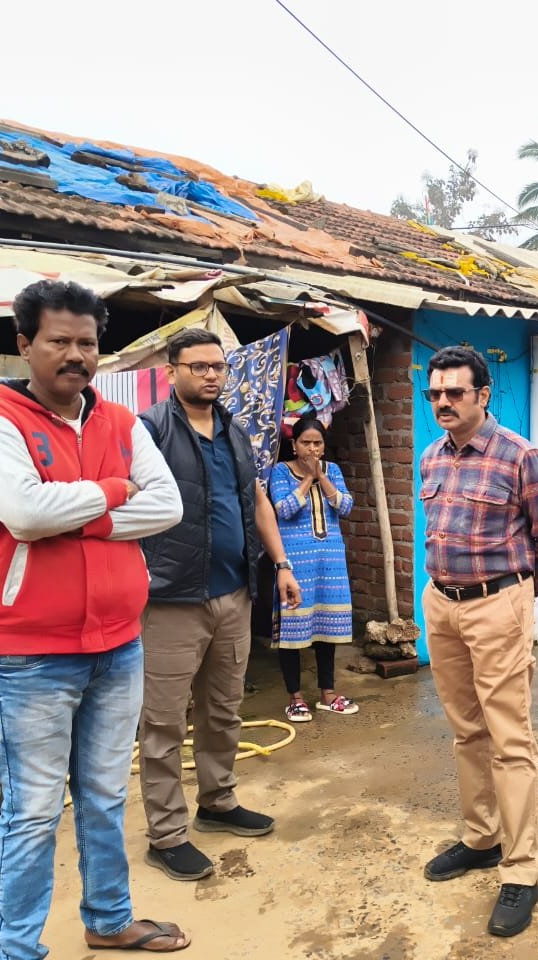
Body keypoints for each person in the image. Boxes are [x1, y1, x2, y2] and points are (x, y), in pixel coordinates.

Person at [0, 280, 188, 957]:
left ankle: (108, 919)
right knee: (34, 812)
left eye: (87, 343)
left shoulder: (122, 423)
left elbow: (168, 506)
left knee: (103, 795)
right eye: (59, 341)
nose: (76, 355)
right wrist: (115, 491)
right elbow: (24, 512)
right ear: (24, 345)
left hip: (119, 644)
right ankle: (17, 950)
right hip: (30, 654)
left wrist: (70, 516)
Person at [138, 327, 301, 882]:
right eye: (198, 366)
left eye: (218, 366)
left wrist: (281, 564)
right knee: (163, 723)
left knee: (223, 711)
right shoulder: (149, 430)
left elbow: (255, 499)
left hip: (233, 594)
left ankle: (218, 802)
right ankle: (166, 835)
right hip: (170, 599)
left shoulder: (235, 430)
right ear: (172, 371)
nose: (211, 375)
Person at [418, 346, 538, 939]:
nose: (443, 402)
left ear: (483, 395)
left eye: (455, 392)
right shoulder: (431, 456)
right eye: (435, 393)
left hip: (497, 603)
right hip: (441, 603)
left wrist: (519, 598)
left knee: (510, 737)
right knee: (466, 731)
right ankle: (482, 838)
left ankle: (521, 868)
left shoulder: (520, 455)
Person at [269, 416, 358, 722]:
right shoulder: (280, 472)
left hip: (330, 561)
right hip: (295, 564)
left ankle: (328, 694)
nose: (312, 449)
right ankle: (295, 697)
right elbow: (284, 509)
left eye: (317, 443)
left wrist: (322, 477)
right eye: (305, 443)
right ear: (293, 445)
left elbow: (345, 506)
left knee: (326, 627)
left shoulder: (332, 470)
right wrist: (308, 479)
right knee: (293, 628)